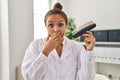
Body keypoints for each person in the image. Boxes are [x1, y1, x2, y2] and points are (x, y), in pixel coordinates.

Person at [21, 2, 96, 80]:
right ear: (45, 26)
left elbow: (87, 78)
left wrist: (89, 51)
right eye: (51, 25)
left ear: (66, 26)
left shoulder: (77, 47)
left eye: (60, 25)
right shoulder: (35, 45)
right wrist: (45, 52)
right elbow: (29, 77)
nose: (56, 30)